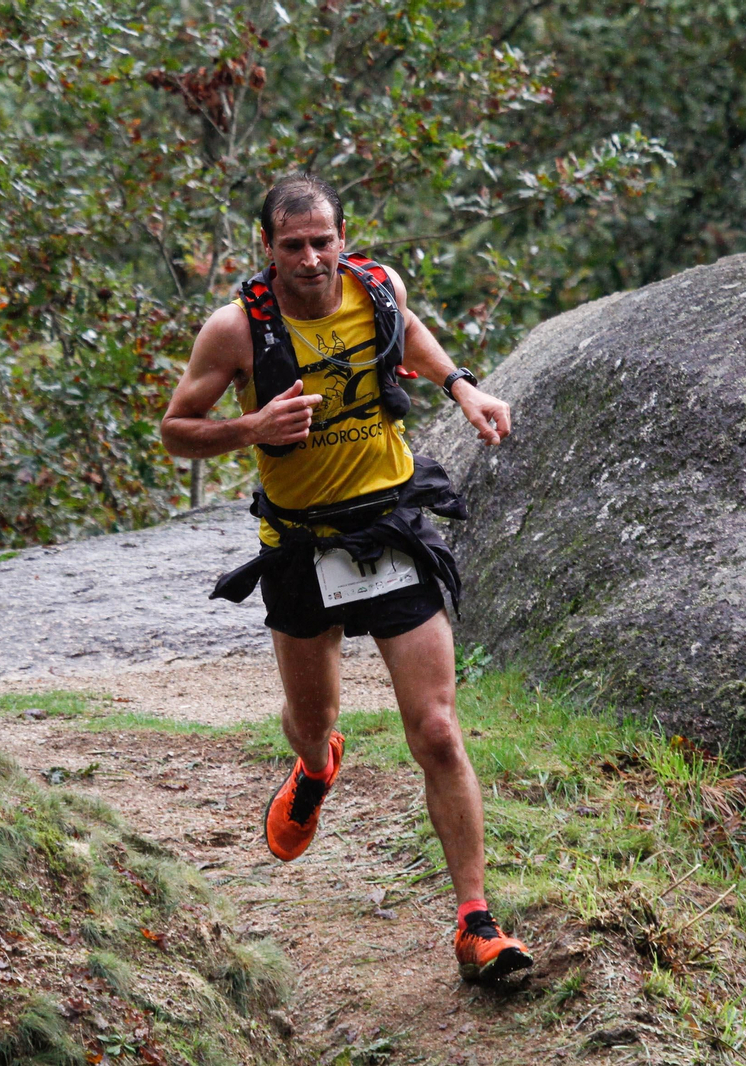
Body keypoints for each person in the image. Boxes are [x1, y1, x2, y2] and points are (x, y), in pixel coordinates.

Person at [159, 173, 533, 983]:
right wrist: (251, 427)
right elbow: (177, 430)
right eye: (292, 245)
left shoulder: (377, 287)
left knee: (436, 729)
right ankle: (318, 767)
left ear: (340, 237)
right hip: (299, 544)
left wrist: (463, 387)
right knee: (309, 718)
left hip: (391, 522)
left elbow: (414, 337)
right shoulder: (235, 330)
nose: (311, 259)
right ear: (267, 250)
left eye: (322, 240)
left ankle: (476, 922)